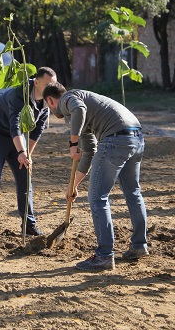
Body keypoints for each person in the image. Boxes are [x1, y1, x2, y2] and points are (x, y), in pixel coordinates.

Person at [43, 82, 148, 271]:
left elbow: (79, 110)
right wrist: (73, 186)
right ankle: (139, 245)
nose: (52, 111)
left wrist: (72, 143)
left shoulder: (68, 99)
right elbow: (90, 152)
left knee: (97, 198)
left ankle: (104, 255)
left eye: (49, 107)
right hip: (136, 138)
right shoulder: (85, 112)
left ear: (50, 100)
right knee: (133, 192)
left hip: (115, 139)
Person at [0, 67, 57, 238]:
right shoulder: (18, 94)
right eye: (47, 85)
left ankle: (29, 225)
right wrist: (20, 151)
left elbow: (38, 130)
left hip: (19, 138)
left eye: (53, 85)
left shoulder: (47, 100)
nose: (51, 89)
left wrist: (27, 154)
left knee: (25, 177)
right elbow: (14, 125)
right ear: (36, 83)